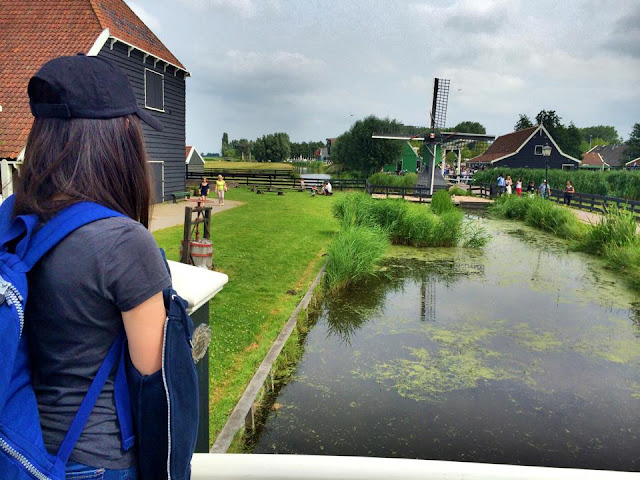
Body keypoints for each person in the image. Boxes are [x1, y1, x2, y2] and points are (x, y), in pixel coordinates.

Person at [16, 55, 186, 477]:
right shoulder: (123, 244)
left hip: (22, 452)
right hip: (97, 462)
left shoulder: (16, 228)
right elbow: (157, 391)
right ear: (119, 141)